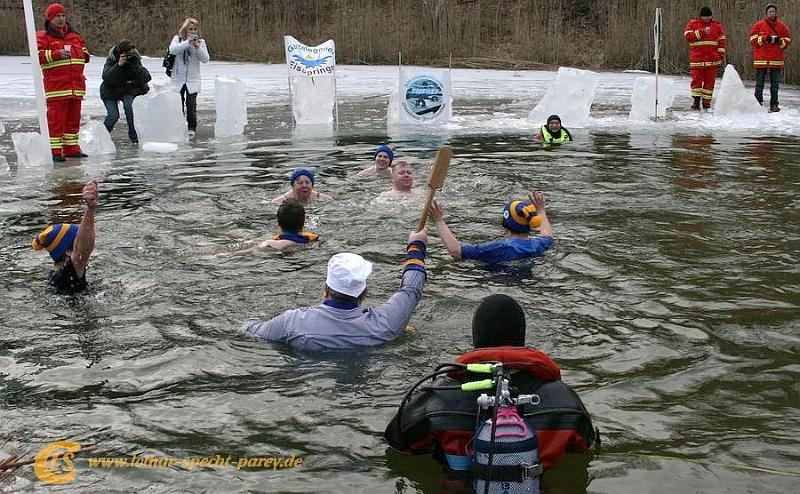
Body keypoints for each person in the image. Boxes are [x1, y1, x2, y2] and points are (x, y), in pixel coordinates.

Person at [384, 294, 598, 490]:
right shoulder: (566, 402)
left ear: (476, 339)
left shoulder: (436, 398)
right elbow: (585, 450)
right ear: (521, 339)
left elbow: (397, 445)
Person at [243, 229, 428, 351]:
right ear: (364, 293)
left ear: (325, 289)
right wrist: (416, 246)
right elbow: (411, 288)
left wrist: (254, 318)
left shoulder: (292, 322)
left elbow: (249, 330)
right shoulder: (385, 323)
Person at [430, 191, 554, 264]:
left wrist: (439, 220)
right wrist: (541, 210)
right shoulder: (539, 245)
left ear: (504, 225)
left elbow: (456, 251)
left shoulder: (498, 249)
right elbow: (548, 234)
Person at [36, 3, 90, 162]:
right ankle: (54, 151)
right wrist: (56, 54)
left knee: (73, 121)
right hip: (57, 88)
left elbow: (84, 51)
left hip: (76, 87)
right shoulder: (42, 37)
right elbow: (37, 56)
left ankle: (71, 149)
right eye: (57, 16)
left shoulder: (74, 36)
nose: (61, 19)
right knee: (56, 121)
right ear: (50, 19)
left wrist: (84, 55)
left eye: (62, 16)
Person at [31, 180, 99, 294]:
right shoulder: (70, 271)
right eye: (76, 241)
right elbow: (83, 249)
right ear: (68, 251)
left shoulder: (56, 276)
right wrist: (91, 208)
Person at [100, 40, 151, 144]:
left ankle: (134, 136)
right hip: (110, 91)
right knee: (113, 116)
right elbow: (106, 77)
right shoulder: (112, 59)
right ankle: (102, 136)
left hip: (127, 90)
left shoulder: (135, 59)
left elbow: (146, 77)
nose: (129, 56)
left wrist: (136, 66)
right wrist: (118, 65)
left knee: (129, 107)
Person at [169, 17, 210, 135]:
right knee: (178, 104)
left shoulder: (201, 42)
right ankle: (179, 127)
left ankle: (192, 129)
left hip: (193, 79)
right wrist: (187, 43)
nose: (192, 31)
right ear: (185, 30)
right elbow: (173, 50)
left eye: (195, 29)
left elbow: (205, 59)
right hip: (178, 79)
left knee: (191, 105)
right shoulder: (178, 39)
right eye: (190, 29)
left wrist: (197, 47)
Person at [234, 200, 320, 254]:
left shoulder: (270, 244)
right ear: (303, 223)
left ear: (278, 225)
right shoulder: (313, 242)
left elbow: (240, 253)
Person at [749, 3, 792, 112]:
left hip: (776, 60)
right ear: (766, 13)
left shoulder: (782, 27)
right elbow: (752, 40)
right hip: (762, 59)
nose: (772, 13)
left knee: (775, 85)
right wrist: (764, 38)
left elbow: (787, 42)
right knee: (759, 84)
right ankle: (757, 103)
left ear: (776, 12)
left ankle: (774, 104)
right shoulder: (759, 25)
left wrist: (779, 41)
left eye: (773, 11)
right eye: (770, 12)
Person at [683, 7, 727, 110]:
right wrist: (702, 32)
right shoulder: (693, 24)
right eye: (705, 16)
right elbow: (688, 36)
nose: (707, 18)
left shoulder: (717, 26)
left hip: (712, 60)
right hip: (697, 59)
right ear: (701, 16)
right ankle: (696, 101)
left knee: (709, 83)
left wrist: (720, 55)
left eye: (708, 16)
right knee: (696, 82)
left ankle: (706, 103)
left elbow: (722, 41)